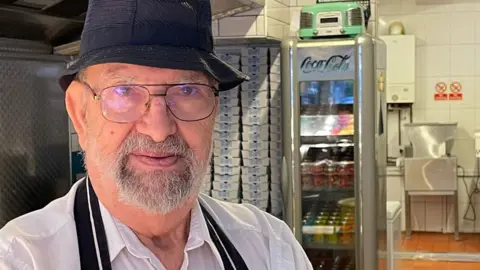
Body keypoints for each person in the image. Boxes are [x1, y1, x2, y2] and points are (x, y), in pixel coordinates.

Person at [0, 0, 312, 269]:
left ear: (215, 111)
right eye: (123, 91)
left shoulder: (272, 249)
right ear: (80, 113)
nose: (160, 130)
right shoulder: (21, 258)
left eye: (188, 90)